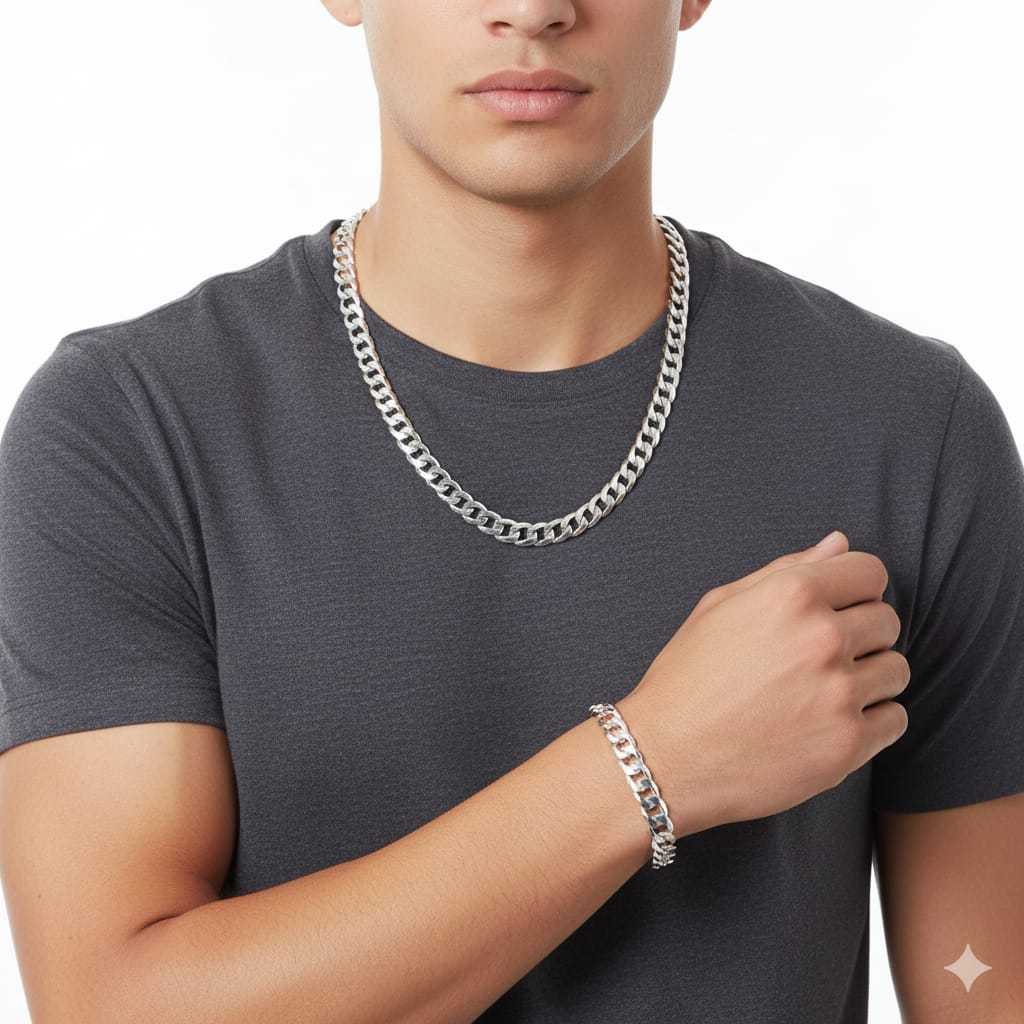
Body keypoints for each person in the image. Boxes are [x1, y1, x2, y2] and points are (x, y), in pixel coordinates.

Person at [1, 1, 1022, 1021]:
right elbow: (109, 1001)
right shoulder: (132, 431)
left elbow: (983, 989)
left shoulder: (905, 426)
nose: (533, 10)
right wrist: (652, 762)